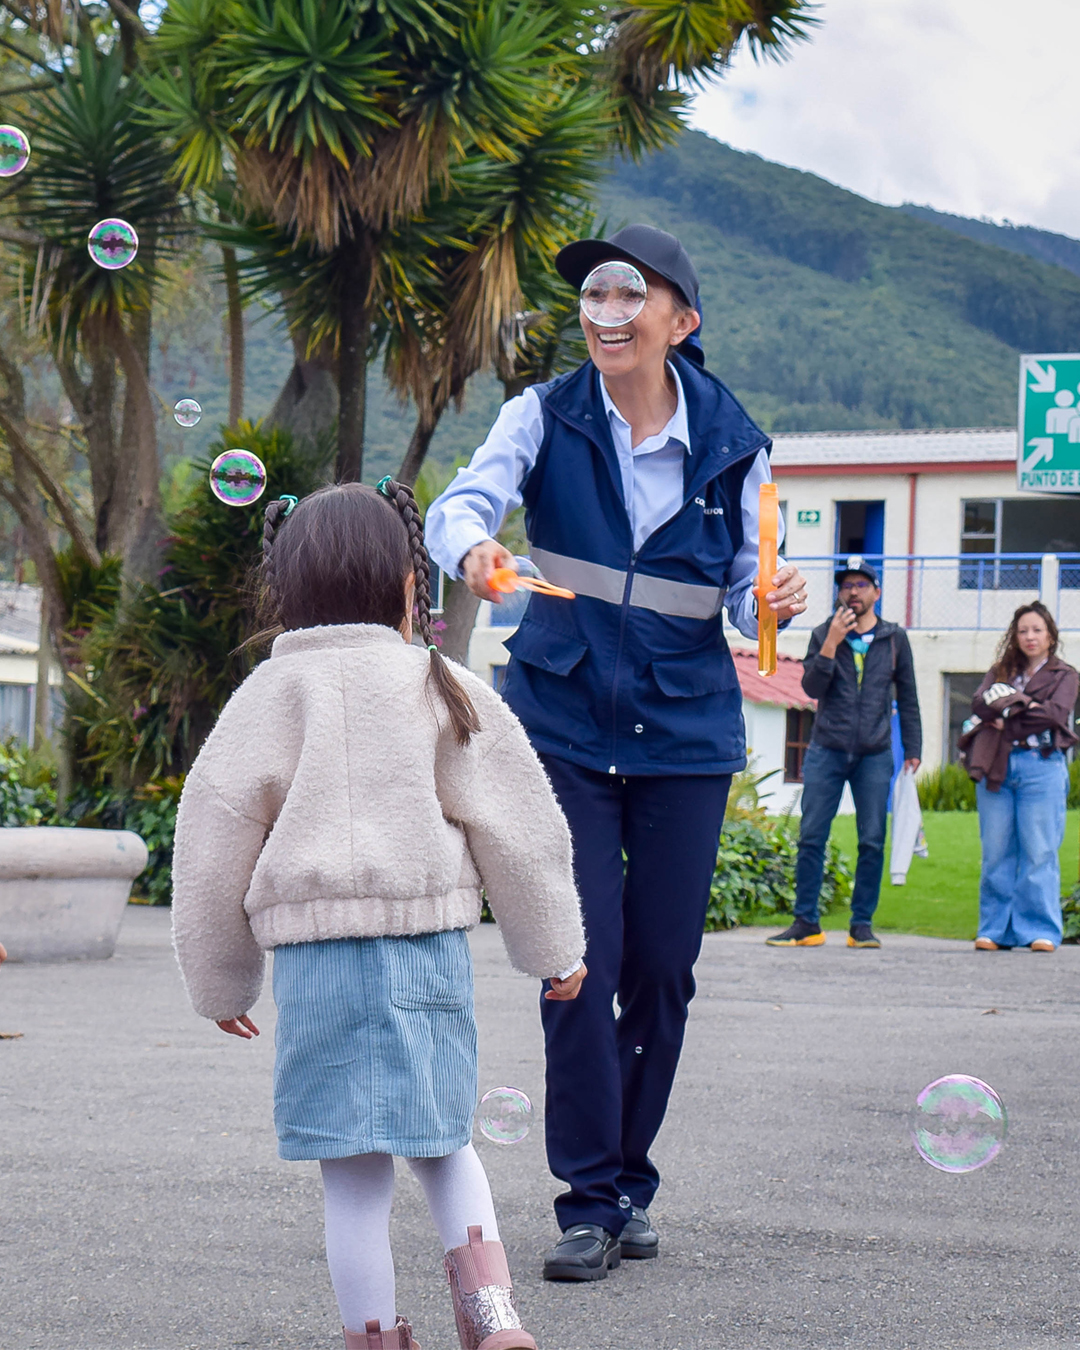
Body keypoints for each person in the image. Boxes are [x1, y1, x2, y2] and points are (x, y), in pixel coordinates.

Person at [425, 224, 808, 1282]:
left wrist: (772, 593)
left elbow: (743, 579)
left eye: (631, 293)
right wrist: (475, 547)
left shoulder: (737, 439)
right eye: (596, 293)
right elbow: (458, 507)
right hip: (562, 727)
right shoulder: (538, 415)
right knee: (576, 965)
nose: (608, 308)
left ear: (681, 321)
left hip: (685, 733)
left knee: (663, 971)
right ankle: (590, 1200)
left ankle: (632, 1178)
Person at [171, 480, 587, 1350]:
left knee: (353, 1179)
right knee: (444, 1144)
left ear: (284, 588)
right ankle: (493, 1316)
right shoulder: (438, 682)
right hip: (425, 950)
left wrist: (220, 980)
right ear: (409, 583)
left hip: (318, 967)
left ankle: (372, 1337)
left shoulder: (267, 697)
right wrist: (552, 946)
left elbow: (211, 839)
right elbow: (517, 823)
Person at [768, 556, 921, 950]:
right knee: (811, 837)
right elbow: (812, 689)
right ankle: (806, 923)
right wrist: (832, 643)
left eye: (861, 585)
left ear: (876, 592)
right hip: (827, 749)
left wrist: (914, 749)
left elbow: (908, 696)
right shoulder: (823, 634)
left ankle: (862, 925)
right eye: (846, 586)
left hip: (874, 752)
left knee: (871, 839)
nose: (853, 592)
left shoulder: (893, 638)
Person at [960, 601, 1077, 953]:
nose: (1030, 637)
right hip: (998, 765)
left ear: (1050, 636)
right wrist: (1022, 706)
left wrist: (1008, 711)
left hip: (1042, 767)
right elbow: (980, 703)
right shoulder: (1001, 670)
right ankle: (994, 930)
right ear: (1015, 635)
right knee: (996, 850)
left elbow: (1054, 715)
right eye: (1023, 630)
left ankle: (1040, 930)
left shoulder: (1065, 675)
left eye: (1037, 630)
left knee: (1039, 850)